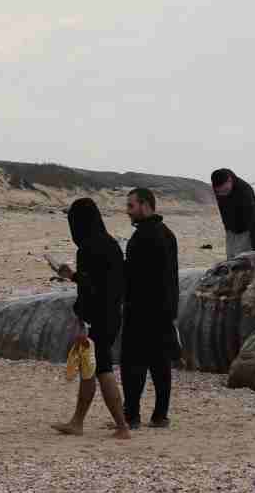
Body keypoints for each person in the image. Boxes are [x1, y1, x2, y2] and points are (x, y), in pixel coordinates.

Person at [52, 199, 132, 440]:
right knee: (89, 369)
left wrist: (82, 319)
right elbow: (109, 283)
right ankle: (77, 421)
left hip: (97, 317)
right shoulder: (111, 244)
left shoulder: (87, 248)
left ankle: (122, 426)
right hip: (113, 313)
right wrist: (75, 276)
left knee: (103, 368)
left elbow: (90, 288)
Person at [122, 188, 181, 429]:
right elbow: (172, 278)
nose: (128, 211)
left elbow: (133, 277)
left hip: (141, 310)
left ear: (145, 205)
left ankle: (132, 415)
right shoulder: (168, 234)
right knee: (160, 364)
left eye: (131, 206)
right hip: (164, 311)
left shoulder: (142, 238)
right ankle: (160, 415)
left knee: (133, 364)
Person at [211, 168, 255, 259]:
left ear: (230, 180)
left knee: (246, 260)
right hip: (232, 229)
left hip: (250, 229)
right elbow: (223, 211)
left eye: (225, 190)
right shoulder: (218, 188)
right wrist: (228, 229)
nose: (223, 194)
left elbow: (253, 221)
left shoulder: (244, 191)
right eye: (219, 192)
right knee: (231, 258)